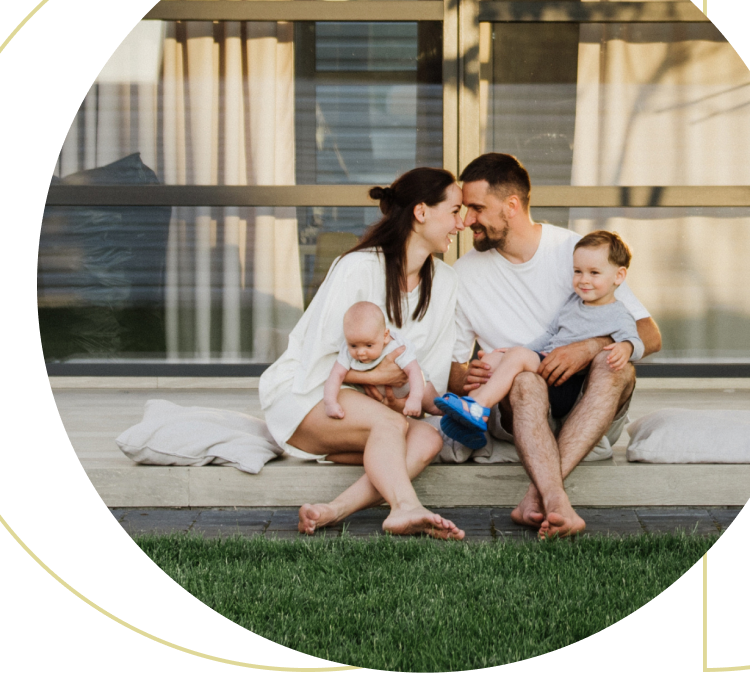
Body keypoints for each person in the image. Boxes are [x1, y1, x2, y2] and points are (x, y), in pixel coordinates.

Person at [448, 154, 662, 538]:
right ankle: (559, 503)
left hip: (589, 403)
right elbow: (452, 371)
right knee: (524, 381)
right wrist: (471, 376)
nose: (466, 221)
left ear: (511, 206)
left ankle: (537, 495)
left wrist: (589, 346)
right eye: (465, 209)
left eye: (477, 208)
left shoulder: (577, 252)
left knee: (616, 364)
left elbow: (649, 334)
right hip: (521, 406)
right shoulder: (463, 275)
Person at [260, 167, 467, 539]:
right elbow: (313, 360)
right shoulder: (358, 268)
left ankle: (333, 510)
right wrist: (376, 377)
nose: (462, 223)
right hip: (306, 396)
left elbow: (428, 378)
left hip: (377, 410)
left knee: (428, 438)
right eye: (454, 211)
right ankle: (405, 507)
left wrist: (458, 407)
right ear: (421, 212)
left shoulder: (446, 283)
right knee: (391, 426)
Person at [436, 231, 643, 447]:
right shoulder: (573, 302)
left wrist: (627, 347)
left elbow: (638, 343)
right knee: (491, 360)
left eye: (594, 273)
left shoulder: (619, 314)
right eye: (578, 271)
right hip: (546, 363)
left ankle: (479, 405)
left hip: (567, 383)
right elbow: (549, 335)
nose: (583, 280)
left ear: (618, 276)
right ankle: (476, 420)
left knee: (515, 356)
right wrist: (511, 354)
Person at [324, 301, 433, 420]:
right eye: (354, 346)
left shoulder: (395, 347)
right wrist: (330, 403)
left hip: (414, 387)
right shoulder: (347, 350)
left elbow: (414, 371)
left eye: (369, 345)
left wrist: (415, 398)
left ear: (385, 336)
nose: (360, 352)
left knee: (433, 405)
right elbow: (336, 375)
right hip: (386, 401)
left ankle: (447, 410)